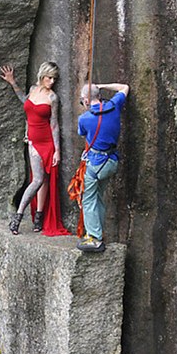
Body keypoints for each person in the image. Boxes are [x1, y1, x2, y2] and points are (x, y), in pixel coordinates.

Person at [0, 62, 70, 236]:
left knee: (41, 179)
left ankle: (29, 216)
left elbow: (54, 124)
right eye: (49, 77)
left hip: (47, 142)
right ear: (42, 75)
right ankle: (24, 216)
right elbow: (25, 101)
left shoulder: (53, 98)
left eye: (54, 78)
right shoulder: (33, 89)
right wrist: (13, 82)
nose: (52, 81)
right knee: (39, 179)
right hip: (33, 142)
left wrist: (57, 151)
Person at [75, 81, 129, 252]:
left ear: (85, 99)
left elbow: (82, 133)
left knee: (89, 198)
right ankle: (97, 231)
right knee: (98, 196)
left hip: (96, 164)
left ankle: (95, 238)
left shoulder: (84, 118)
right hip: (111, 161)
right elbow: (124, 88)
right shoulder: (114, 105)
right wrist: (102, 86)